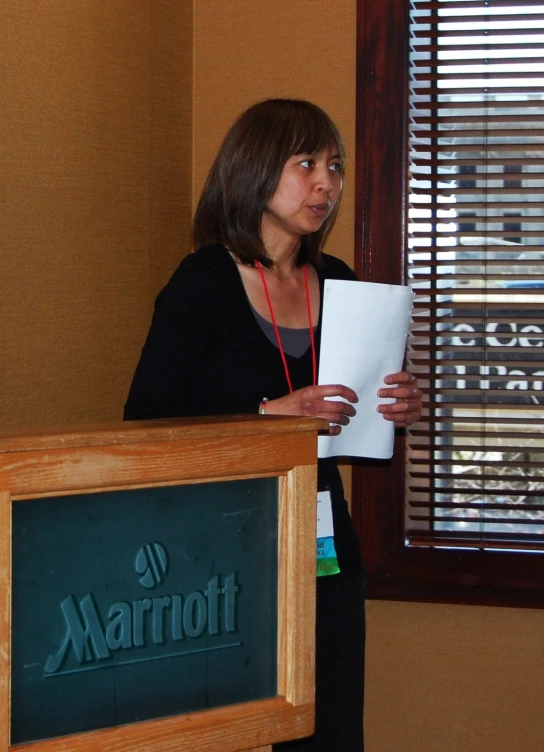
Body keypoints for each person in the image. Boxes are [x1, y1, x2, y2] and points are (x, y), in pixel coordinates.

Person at [124, 98, 422, 751]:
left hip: (321, 535)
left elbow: (348, 414)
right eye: (307, 163)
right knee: (220, 728)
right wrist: (267, 415)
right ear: (255, 170)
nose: (327, 183)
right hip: (218, 542)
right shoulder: (203, 280)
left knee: (330, 727)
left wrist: (394, 408)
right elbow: (144, 420)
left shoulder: (340, 281)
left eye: (336, 167)